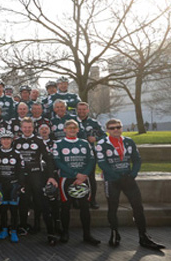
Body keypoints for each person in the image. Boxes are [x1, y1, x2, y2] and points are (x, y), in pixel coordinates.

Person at [96, 119, 165, 250]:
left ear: (122, 128)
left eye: (118, 127)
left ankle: (143, 236)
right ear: (107, 130)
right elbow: (102, 163)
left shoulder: (129, 141)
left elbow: (137, 159)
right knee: (112, 208)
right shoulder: (101, 144)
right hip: (112, 180)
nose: (115, 130)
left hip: (128, 179)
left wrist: (132, 174)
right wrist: (116, 176)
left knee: (138, 206)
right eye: (112, 128)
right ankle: (114, 233)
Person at [52, 120, 100, 245]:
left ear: (78, 130)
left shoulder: (84, 143)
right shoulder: (58, 144)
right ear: (64, 130)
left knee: (85, 207)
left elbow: (91, 160)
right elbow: (58, 162)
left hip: (83, 178)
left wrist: (83, 175)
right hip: (66, 179)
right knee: (65, 206)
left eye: (74, 128)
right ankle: (65, 232)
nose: (72, 130)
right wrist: (75, 174)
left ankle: (87, 234)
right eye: (69, 128)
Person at [14, 118, 59, 245]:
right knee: (23, 203)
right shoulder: (16, 142)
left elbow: (48, 159)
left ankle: (51, 233)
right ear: (21, 128)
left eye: (29, 127)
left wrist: (51, 176)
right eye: (25, 127)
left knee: (43, 204)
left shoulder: (39, 141)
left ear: (33, 128)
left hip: (37, 176)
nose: (27, 129)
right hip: (22, 178)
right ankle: (23, 227)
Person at [0, 130, 24, 243]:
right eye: (3, 139)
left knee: (14, 210)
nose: (6, 141)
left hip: (13, 185)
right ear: (0, 140)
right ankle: (4, 230)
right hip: (1, 185)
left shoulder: (17, 154)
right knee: (2, 210)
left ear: (12, 140)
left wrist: (21, 185)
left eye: (8, 139)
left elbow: (21, 171)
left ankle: (14, 231)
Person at [76, 102, 105, 209]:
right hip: (75, 154)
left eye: (84, 109)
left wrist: (96, 139)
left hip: (90, 154)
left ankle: (92, 200)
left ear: (87, 110)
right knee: (76, 177)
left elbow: (104, 135)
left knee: (91, 177)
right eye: (79, 109)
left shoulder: (94, 122)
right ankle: (77, 200)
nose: (81, 111)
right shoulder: (73, 121)